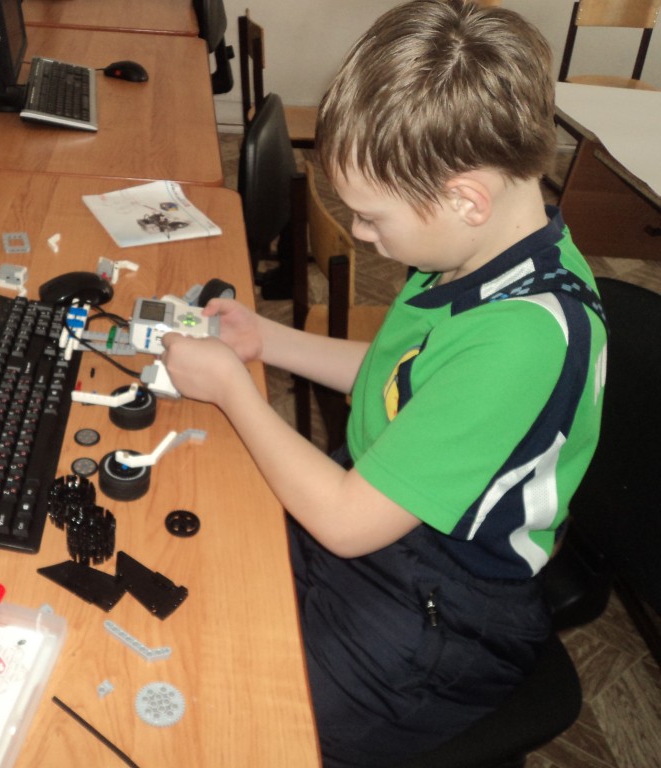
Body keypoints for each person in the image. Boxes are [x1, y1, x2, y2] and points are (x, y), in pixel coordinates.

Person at [160, 1, 608, 765]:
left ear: (465, 198)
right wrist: (267, 341)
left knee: (255, 729)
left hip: (443, 607)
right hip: (380, 517)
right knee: (209, 582)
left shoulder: (522, 339)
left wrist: (236, 388)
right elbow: (401, 380)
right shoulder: (473, 253)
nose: (363, 236)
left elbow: (345, 522)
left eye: (372, 218)